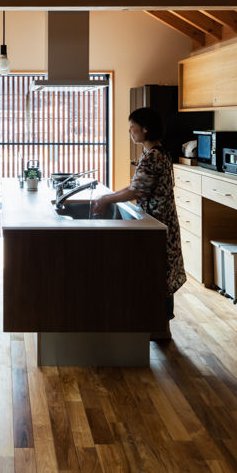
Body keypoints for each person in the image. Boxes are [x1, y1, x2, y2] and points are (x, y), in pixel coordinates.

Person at [91, 107, 184, 341]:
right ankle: (160, 327)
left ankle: (161, 328)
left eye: (133, 126)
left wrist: (106, 199)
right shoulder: (154, 152)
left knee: (159, 273)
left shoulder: (153, 156)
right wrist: (109, 196)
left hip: (158, 222)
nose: (130, 131)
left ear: (145, 129)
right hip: (158, 220)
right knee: (159, 273)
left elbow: (136, 190)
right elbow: (134, 186)